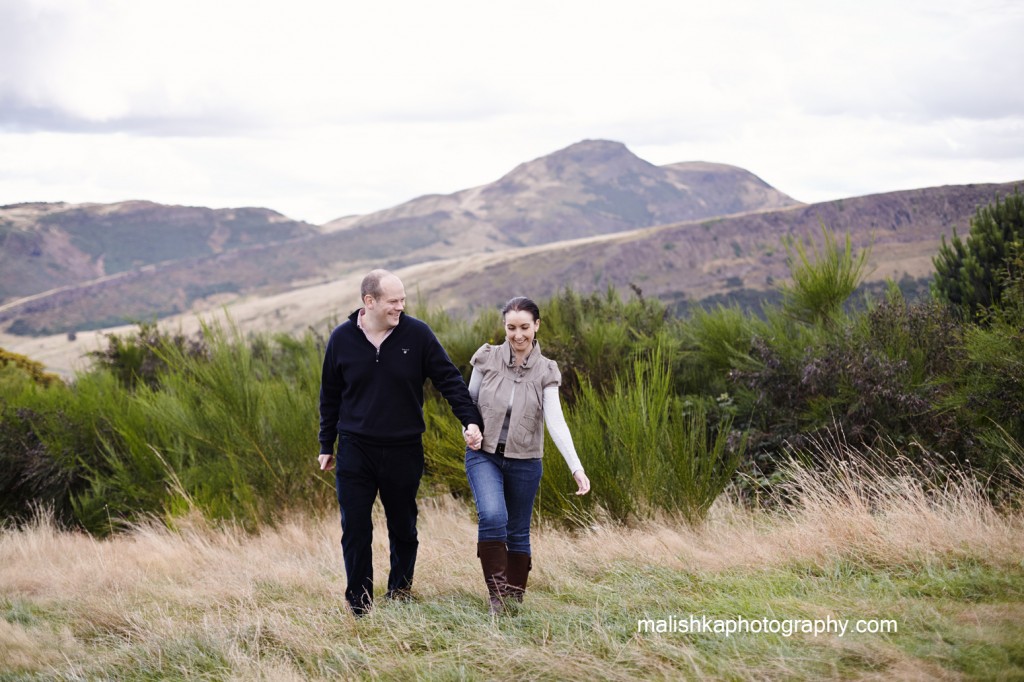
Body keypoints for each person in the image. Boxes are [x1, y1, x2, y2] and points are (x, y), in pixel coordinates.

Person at [318, 269, 483, 616]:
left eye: (403, 300)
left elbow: (449, 380)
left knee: (403, 527)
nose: (401, 307)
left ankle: (400, 593)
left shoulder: (417, 334)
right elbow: (330, 396)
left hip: (403, 448)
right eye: (393, 301)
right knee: (356, 528)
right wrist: (325, 445)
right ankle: (359, 604)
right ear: (369, 302)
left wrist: (470, 420)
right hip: (355, 449)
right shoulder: (341, 339)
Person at [463, 296, 591, 614]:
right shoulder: (487, 357)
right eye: (511, 327)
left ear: (536, 326)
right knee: (493, 516)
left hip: (526, 462)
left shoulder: (547, 371)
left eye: (524, 327)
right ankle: (496, 600)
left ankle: (512, 603)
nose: (517, 335)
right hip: (485, 455)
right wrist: (469, 427)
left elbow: (555, 420)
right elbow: (468, 403)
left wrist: (575, 466)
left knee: (518, 531)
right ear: (504, 327)